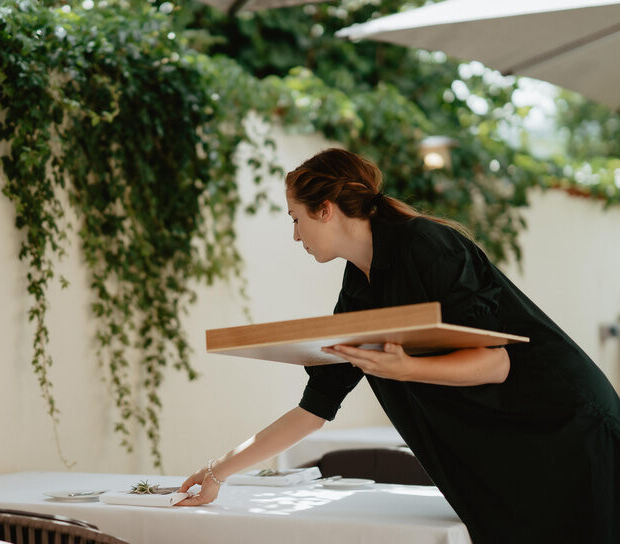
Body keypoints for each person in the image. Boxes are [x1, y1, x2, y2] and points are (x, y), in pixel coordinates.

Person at [176, 148, 620, 543]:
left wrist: (406, 369)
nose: (295, 235)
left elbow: (496, 363)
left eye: (296, 218)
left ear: (325, 210)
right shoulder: (359, 286)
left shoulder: (427, 245)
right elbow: (315, 408)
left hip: (567, 426)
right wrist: (217, 473)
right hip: (516, 449)